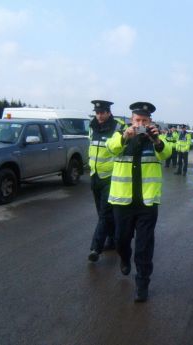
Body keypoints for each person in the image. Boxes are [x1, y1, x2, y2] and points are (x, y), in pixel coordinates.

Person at [106, 101, 171, 302]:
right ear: (131, 120)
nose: (140, 123)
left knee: (144, 246)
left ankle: (142, 283)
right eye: (137, 120)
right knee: (121, 239)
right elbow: (110, 149)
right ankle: (124, 258)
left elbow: (167, 153)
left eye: (144, 120)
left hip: (147, 202)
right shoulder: (120, 135)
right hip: (122, 200)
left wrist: (156, 140)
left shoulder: (156, 138)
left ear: (150, 121)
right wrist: (125, 137)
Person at [88, 100, 126, 262]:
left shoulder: (118, 127)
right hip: (95, 175)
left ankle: (95, 248)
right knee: (103, 214)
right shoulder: (92, 126)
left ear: (109, 112)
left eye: (102, 112)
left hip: (111, 177)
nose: (100, 115)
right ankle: (113, 240)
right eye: (97, 112)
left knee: (104, 214)